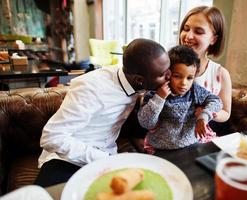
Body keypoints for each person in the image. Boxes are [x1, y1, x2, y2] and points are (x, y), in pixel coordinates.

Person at [34, 38, 171, 187]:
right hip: (66, 159)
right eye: (163, 74)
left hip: (107, 156)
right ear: (139, 80)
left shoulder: (140, 82)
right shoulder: (91, 88)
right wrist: (104, 158)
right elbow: (51, 137)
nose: (169, 77)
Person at [137, 45, 222, 153]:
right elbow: (146, 123)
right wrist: (159, 98)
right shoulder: (155, 93)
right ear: (167, 74)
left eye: (189, 78)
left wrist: (204, 116)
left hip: (191, 145)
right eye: (177, 76)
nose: (184, 83)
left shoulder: (195, 91)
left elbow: (216, 101)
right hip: (160, 148)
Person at [179, 6, 232, 134]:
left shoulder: (221, 74)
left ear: (213, 39)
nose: (188, 36)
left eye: (198, 31)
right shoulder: (167, 64)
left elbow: (225, 112)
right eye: (186, 29)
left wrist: (208, 113)